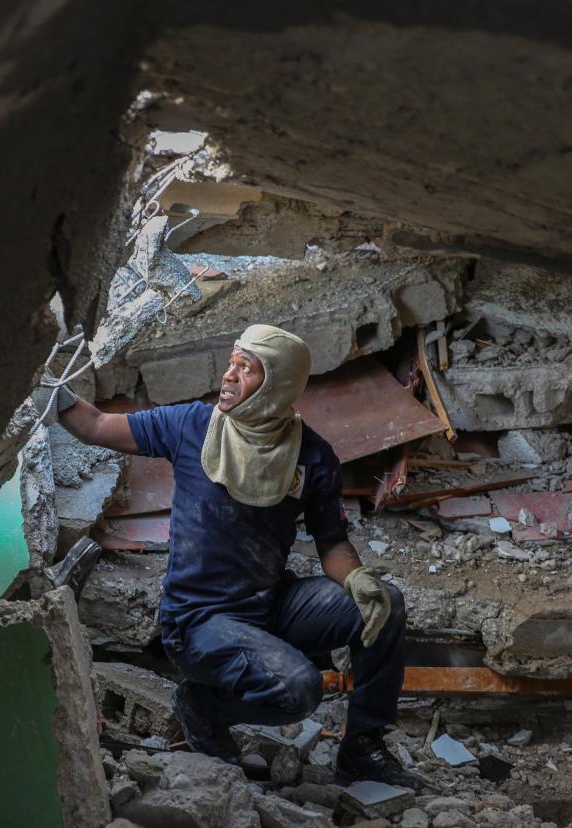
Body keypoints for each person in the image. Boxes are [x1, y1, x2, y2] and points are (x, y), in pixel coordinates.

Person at [48, 323, 422, 789]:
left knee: (385, 605)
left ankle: (362, 748)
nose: (229, 376)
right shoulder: (191, 426)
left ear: (280, 383)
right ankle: (203, 708)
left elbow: (332, 543)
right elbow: (95, 425)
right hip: (200, 621)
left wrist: (358, 579)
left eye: (247, 369)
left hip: (268, 605)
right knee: (299, 687)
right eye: (232, 362)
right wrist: (45, 384)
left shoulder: (310, 456)